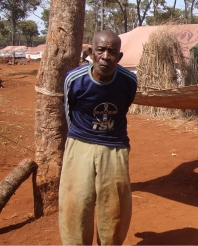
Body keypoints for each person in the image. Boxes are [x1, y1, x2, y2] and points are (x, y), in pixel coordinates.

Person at [59, 30, 138, 245]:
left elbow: (124, 107)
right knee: (76, 204)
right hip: (80, 144)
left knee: (114, 209)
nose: (105, 57)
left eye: (112, 52)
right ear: (91, 52)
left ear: (119, 57)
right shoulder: (74, 80)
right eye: (101, 50)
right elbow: (69, 113)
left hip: (114, 146)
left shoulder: (129, 81)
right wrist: (79, 140)